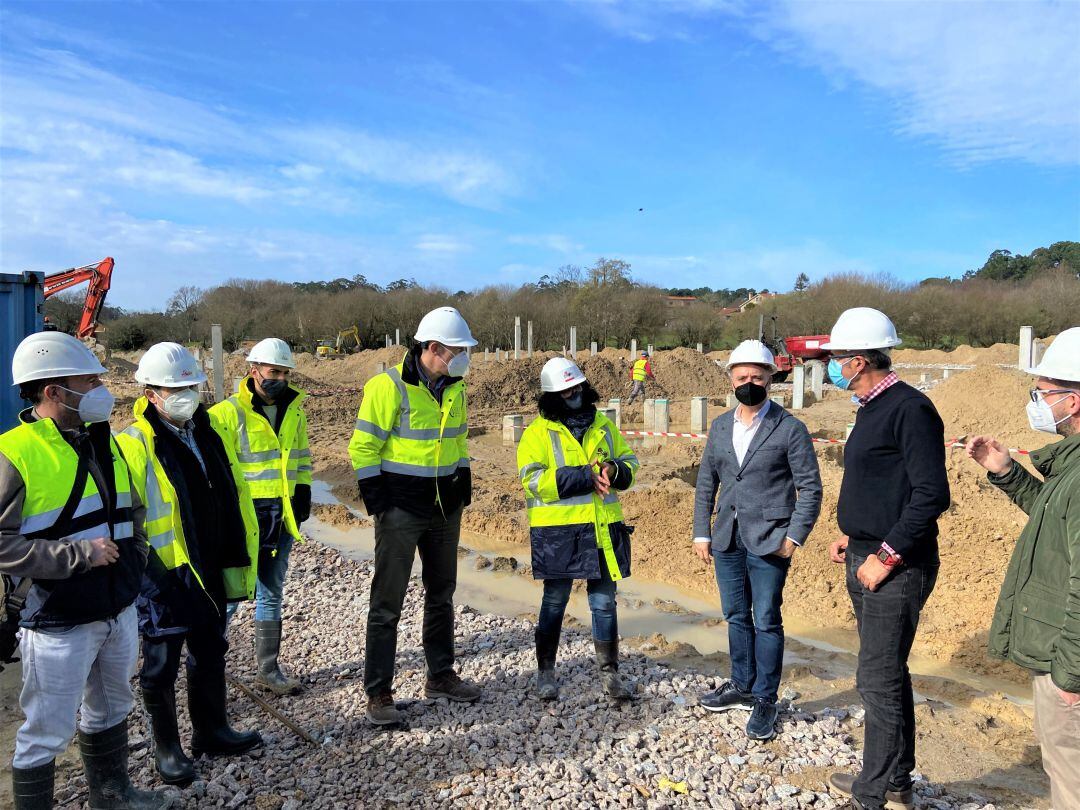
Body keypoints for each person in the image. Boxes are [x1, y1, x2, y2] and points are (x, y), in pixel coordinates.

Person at [0, 332, 166, 809]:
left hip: (116, 605)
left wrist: (133, 563)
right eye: (89, 380)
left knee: (113, 707)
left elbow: (129, 510)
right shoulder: (15, 454)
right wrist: (76, 557)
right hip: (57, 617)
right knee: (46, 732)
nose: (100, 388)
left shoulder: (103, 440)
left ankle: (113, 797)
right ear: (53, 391)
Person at [115, 343, 262, 787]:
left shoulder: (207, 431)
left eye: (191, 385)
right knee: (160, 664)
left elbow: (227, 492)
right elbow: (128, 519)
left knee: (211, 648)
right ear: (150, 393)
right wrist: (151, 577)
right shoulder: (133, 441)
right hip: (163, 574)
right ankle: (167, 751)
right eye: (174, 388)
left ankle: (211, 731)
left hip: (210, 563)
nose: (186, 394)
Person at [822, 308, 950, 810]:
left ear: (858, 361)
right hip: (864, 551)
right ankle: (896, 781)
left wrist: (886, 554)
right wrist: (851, 535)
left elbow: (930, 494)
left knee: (875, 679)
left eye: (836, 359)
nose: (831, 367)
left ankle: (872, 794)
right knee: (888, 674)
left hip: (896, 566)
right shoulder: (869, 407)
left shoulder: (909, 409)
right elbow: (880, 483)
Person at [965, 326, 1080, 810]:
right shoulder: (1072, 469)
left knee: (1069, 770)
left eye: (1046, 391)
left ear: (1072, 402)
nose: (1038, 400)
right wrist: (1007, 472)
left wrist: (1070, 676)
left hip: (1071, 666)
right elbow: (1055, 522)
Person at [349, 306, 481, 726]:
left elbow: (457, 441)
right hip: (401, 510)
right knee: (387, 602)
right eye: (457, 350)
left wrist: (462, 483)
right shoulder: (388, 387)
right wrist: (381, 503)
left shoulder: (454, 387)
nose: (463, 357)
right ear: (433, 348)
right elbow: (362, 448)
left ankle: (440, 675)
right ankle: (379, 693)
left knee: (441, 594)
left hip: (444, 508)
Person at [693, 340, 822, 740]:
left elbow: (810, 488)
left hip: (770, 539)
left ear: (771, 378)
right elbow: (705, 483)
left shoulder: (790, 429)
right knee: (735, 614)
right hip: (726, 537)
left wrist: (794, 538)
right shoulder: (719, 426)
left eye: (757, 377)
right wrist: (702, 532)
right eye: (742, 377)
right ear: (731, 380)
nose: (749, 382)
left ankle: (765, 696)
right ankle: (742, 684)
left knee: (765, 618)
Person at [518, 358, 640, 701]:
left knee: (604, 603)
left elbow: (630, 463)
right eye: (565, 390)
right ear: (551, 396)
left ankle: (609, 675)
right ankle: (546, 672)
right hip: (559, 533)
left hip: (601, 529)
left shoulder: (603, 425)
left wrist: (615, 471)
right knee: (555, 601)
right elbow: (532, 480)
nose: (573, 394)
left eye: (577, 387)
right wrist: (584, 477)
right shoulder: (537, 433)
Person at [211, 338, 311, 695]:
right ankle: (209, 669)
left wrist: (302, 495)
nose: (280, 379)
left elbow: (300, 458)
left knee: (271, 592)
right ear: (254, 371)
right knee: (231, 594)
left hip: (280, 516)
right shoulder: (225, 414)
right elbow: (216, 472)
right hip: (244, 520)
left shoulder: (295, 411)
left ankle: (268, 671)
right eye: (274, 371)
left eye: (285, 372)